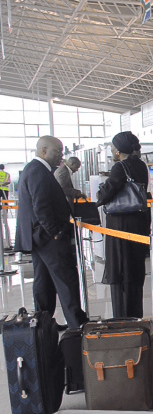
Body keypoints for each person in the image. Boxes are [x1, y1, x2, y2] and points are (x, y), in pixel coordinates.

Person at [15, 136, 88, 330]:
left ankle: (43, 322)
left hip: (37, 237)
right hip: (47, 237)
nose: (61, 156)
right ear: (44, 150)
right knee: (66, 279)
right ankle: (77, 325)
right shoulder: (38, 172)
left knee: (44, 281)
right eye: (58, 151)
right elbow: (42, 207)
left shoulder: (35, 169)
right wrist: (55, 233)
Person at [96, 131, 151, 318]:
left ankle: (122, 316)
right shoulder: (141, 165)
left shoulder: (120, 167)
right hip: (138, 222)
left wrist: (101, 190)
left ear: (119, 150)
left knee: (120, 269)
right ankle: (136, 314)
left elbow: (106, 194)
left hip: (120, 224)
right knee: (135, 269)